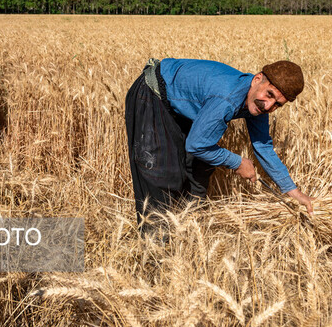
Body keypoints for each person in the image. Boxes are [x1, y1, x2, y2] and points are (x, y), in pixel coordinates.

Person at [125, 58, 314, 230]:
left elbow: (263, 145)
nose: (268, 106)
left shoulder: (256, 101)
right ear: (257, 79)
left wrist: (291, 190)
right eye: (269, 94)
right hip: (153, 92)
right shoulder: (227, 97)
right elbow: (197, 144)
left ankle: (189, 234)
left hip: (180, 104)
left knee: (198, 170)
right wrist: (238, 162)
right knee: (161, 174)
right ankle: (154, 251)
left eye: (277, 104)